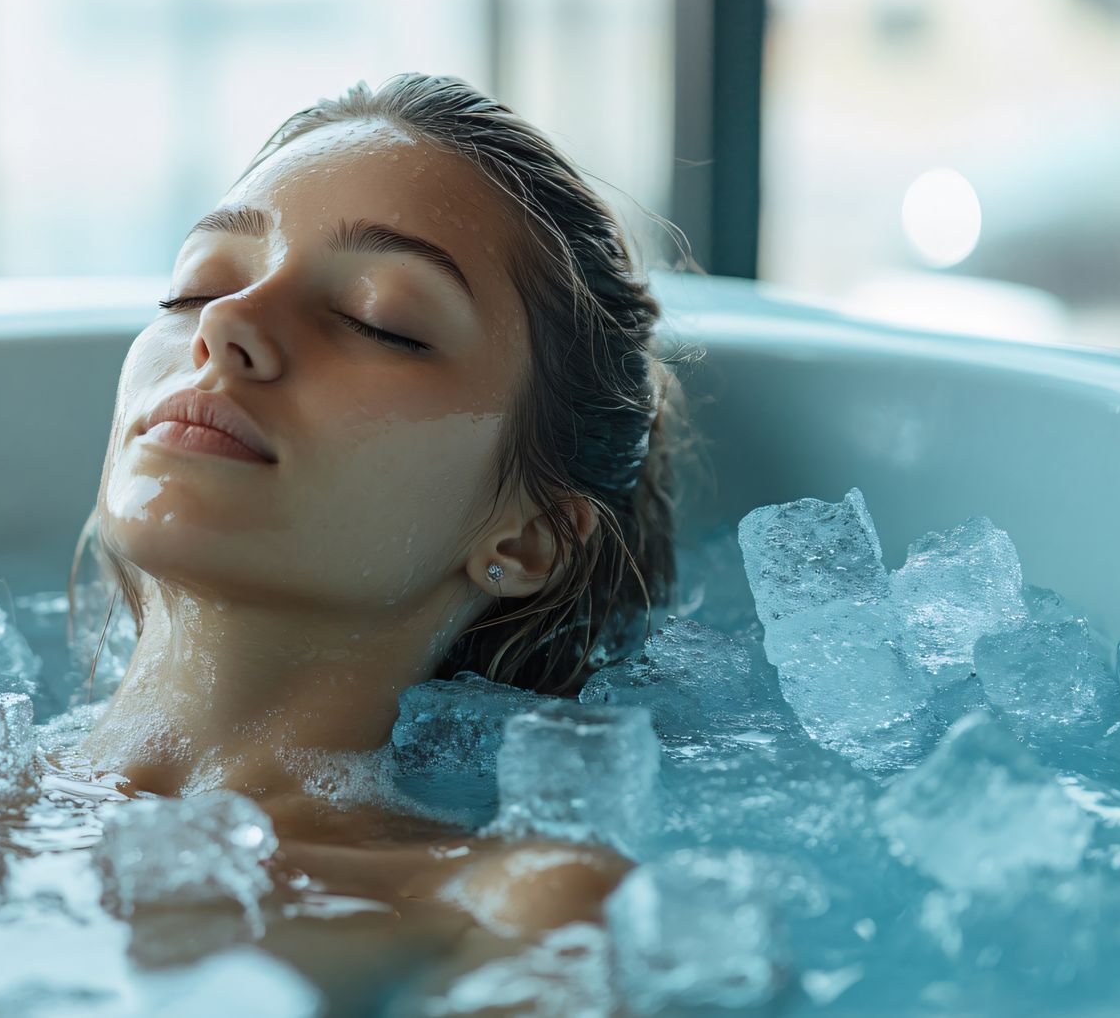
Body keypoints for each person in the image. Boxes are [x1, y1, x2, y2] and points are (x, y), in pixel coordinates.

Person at [70, 71, 691, 995]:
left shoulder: (504, 910)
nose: (229, 322)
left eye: (379, 322)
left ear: (528, 539)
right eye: (196, 287)